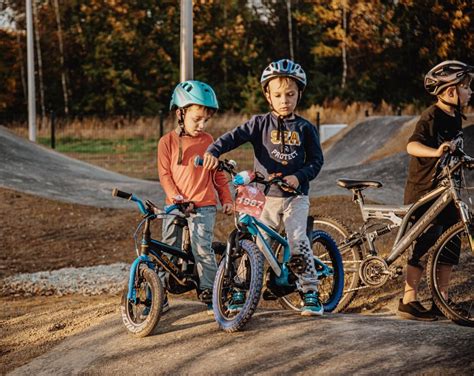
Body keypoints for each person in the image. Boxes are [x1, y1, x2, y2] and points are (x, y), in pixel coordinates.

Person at [203, 59, 324, 316]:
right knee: (255, 243)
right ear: (268, 96)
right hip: (265, 196)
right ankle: (241, 289)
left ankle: (310, 292)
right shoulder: (259, 124)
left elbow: (316, 161)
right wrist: (213, 150)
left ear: (299, 94)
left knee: (298, 240)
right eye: (278, 95)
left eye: (290, 94)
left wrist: (299, 176)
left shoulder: (305, 128)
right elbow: (232, 137)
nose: (284, 100)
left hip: (295, 196)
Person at [398, 60, 473, 321]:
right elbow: (412, 146)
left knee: (451, 242)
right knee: (423, 242)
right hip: (425, 190)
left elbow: (455, 148)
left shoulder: (455, 116)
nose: (470, 92)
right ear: (451, 91)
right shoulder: (432, 115)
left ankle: (443, 299)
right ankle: (409, 300)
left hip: (448, 191)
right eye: (466, 87)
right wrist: (435, 151)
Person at [157, 80, 233, 315]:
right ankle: (159, 294)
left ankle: (210, 291)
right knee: (166, 249)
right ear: (180, 113)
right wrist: (174, 196)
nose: (201, 125)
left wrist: (226, 198)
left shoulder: (209, 142)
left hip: (203, 205)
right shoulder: (167, 142)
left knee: (202, 248)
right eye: (196, 119)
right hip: (175, 205)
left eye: (205, 120)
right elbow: (164, 174)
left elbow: (218, 174)